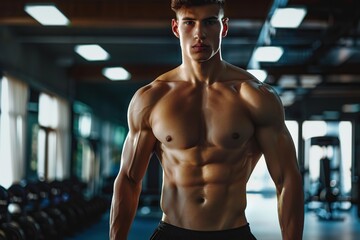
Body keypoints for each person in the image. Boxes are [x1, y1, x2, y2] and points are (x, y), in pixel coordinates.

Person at [110, 0, 304, 239]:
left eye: (209, 22)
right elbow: (129, 179)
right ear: (175, 27)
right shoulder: (152, 98)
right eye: (189, 22)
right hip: (172, 232)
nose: (199, 33)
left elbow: (287, 177)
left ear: (223, 27)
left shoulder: (254, 96)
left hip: (233, 233)